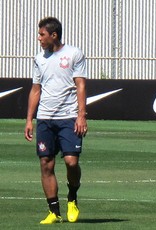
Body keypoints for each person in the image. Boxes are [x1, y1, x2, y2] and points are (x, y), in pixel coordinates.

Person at [24, 17, 88, 224]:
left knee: (71, 162)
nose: (38, 38)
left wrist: (81, 115)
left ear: (54, 35)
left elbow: (80, 85)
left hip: (69, 117)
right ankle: (54, 211)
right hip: (45, 118)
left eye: (42, 34)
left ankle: (72, 197)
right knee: (46, 164)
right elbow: (36, 89)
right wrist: (29, 120)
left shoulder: (73, 54)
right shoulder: (39, 58)